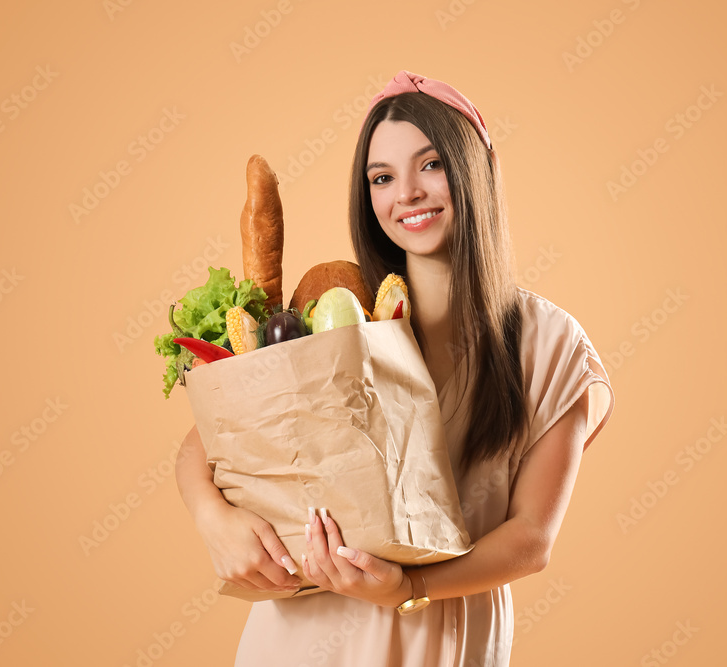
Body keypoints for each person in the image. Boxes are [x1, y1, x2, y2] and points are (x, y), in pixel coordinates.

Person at [174, 70, 615, 666]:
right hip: (302, 638)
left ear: (474, 172)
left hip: (444, 639)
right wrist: (213, 519)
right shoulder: (338, 315)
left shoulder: (548, 343)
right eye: (382, 177)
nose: (406, 192)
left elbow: (532, 537)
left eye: (430, 165)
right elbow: (203, 445)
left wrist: (408, 588)